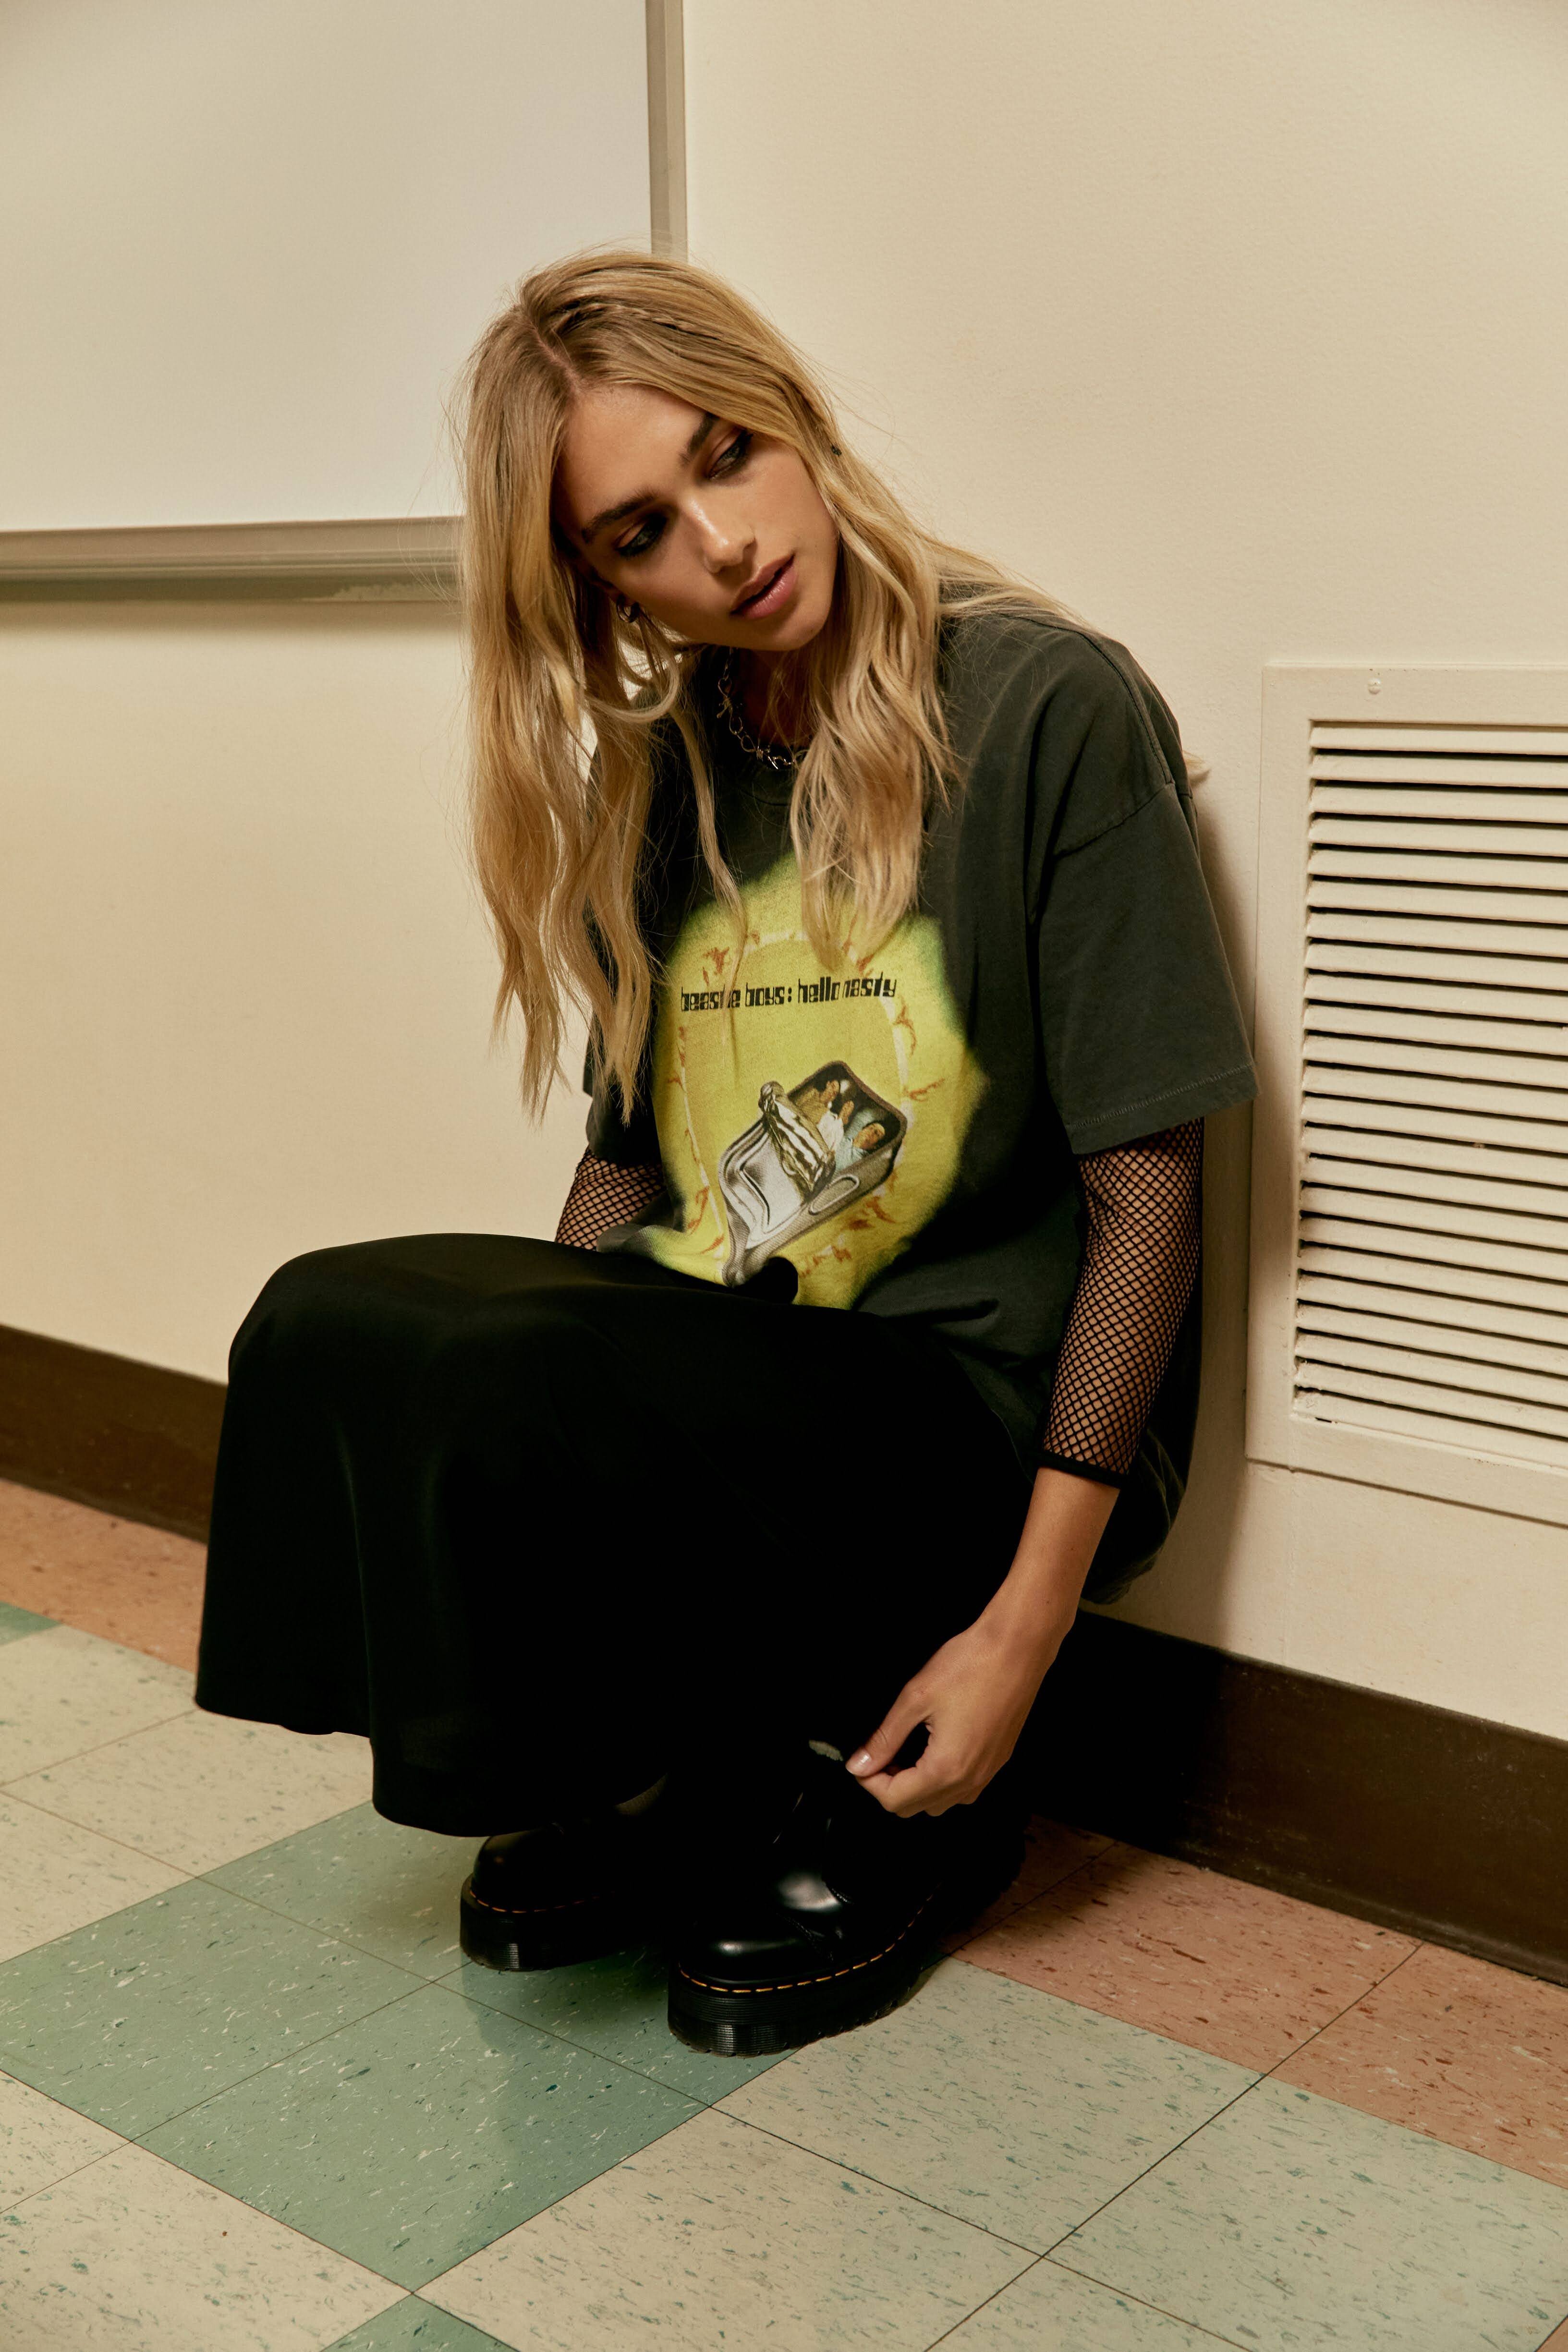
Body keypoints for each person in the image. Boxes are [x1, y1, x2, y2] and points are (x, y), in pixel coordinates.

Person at [194, 248, 1257, 2058]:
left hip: (963, 1420)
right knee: (337, 1313)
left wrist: (1022, 1632)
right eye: (640, 531)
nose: (724, 541)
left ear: (791, 418)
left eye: (726, 454)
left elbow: (1148, 1190)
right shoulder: (670, 763)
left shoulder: (1044, 703)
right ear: (594, 584)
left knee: (509, 1343)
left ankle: (896, 1777)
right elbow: (627, 1172)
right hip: (751, 1381)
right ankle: (668, 1742)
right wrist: (531, 1413)